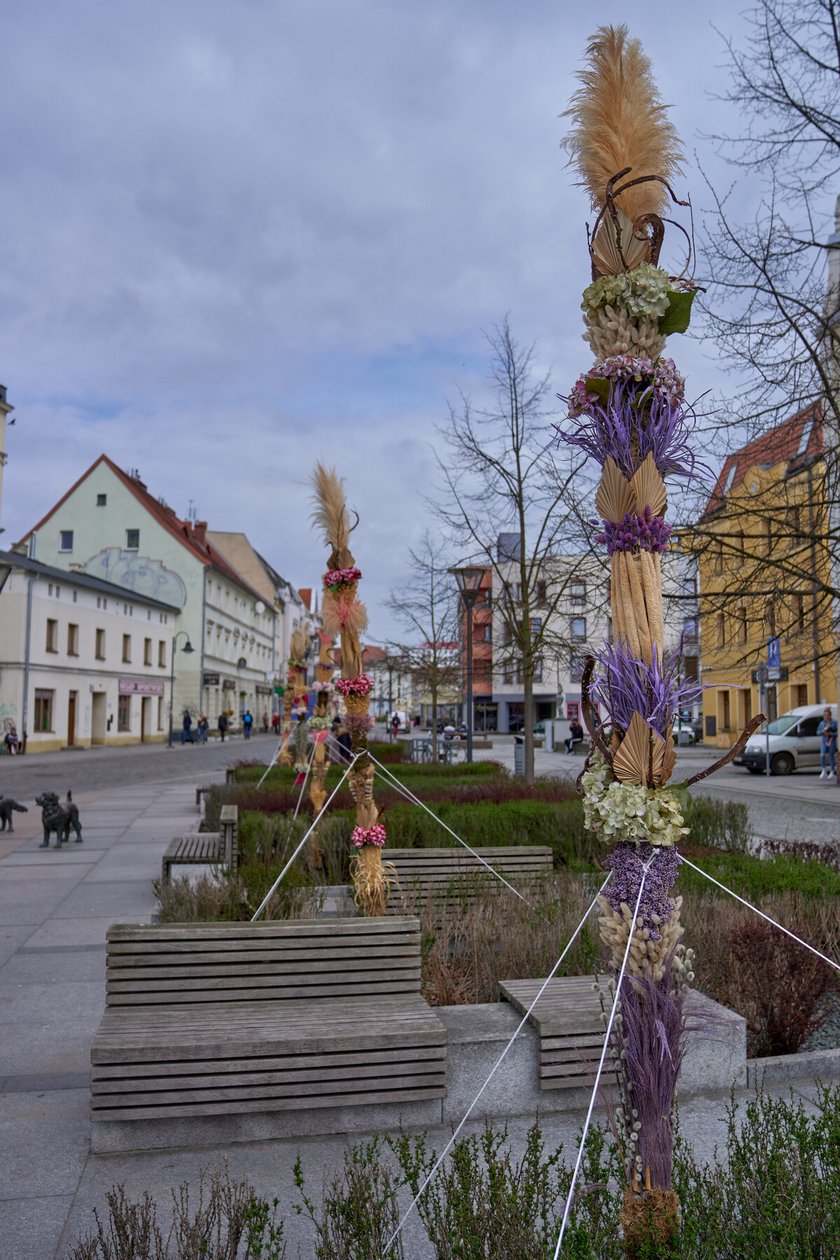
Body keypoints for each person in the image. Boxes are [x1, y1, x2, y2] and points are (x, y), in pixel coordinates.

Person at [817, 707, 837, 780]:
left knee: (831, 755)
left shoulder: (834, 723)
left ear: (830, 715)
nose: (826, 716)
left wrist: (832, 733)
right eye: (824, 715)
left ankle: (832, 771)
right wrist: (822, 732)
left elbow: (837, 733)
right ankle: (823, 770)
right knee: (822, 754)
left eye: (827, 715)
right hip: (824, 740)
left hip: (832, 740)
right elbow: (817, 732)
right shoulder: (822, 723)